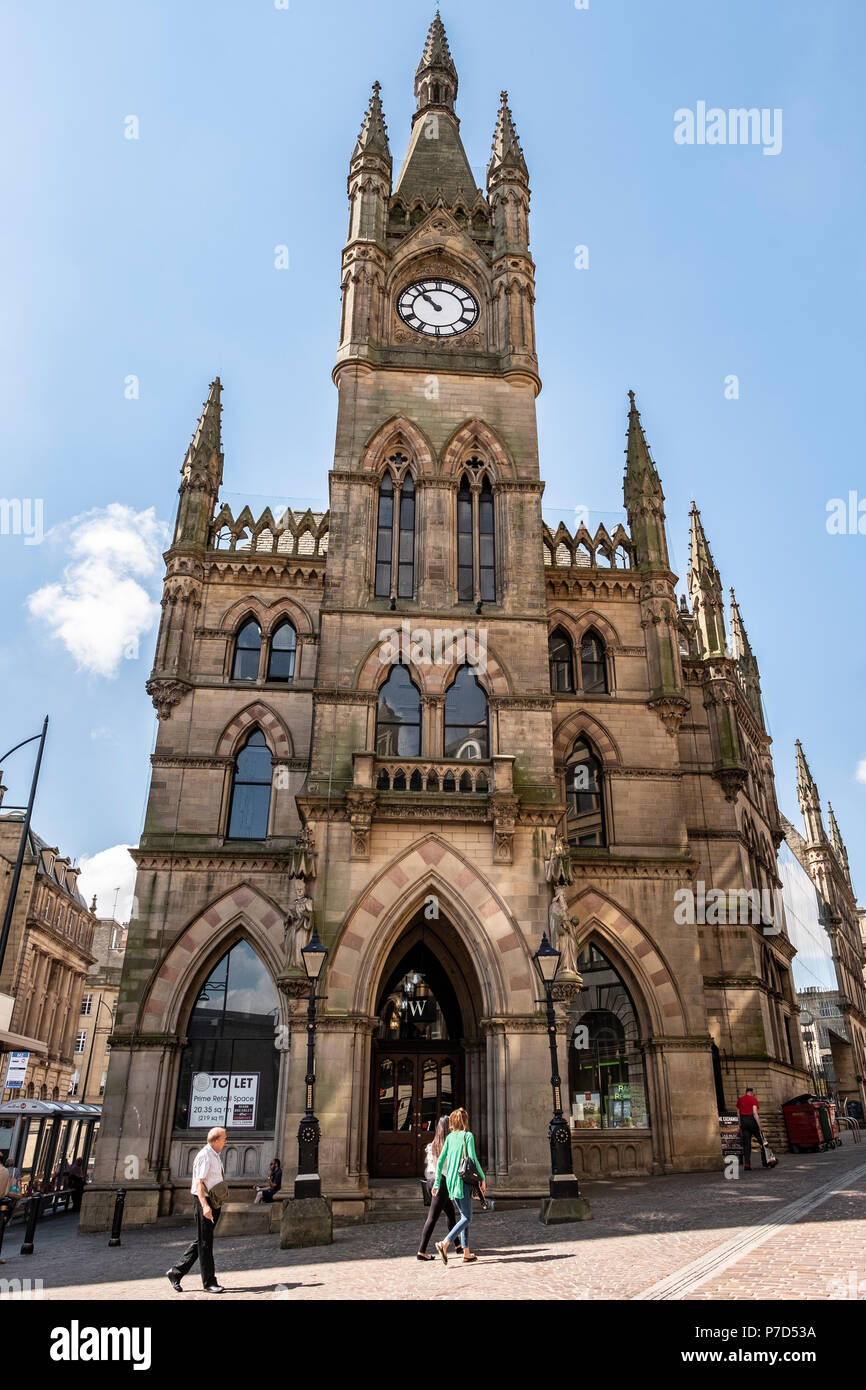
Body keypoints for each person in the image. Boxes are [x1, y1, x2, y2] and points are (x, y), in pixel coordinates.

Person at [166, 1126, 228, 1293]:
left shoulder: (215, 1155)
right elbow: (198, 1184)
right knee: (205, 1243)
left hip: (213, 1202)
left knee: (202, 1240)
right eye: (223, 1138)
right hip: (204, 1202)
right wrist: (205, 1206)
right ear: (215, 1140)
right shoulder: (205, 1156)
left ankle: (176, 1272)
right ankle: (209, 1282)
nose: (225, 1141)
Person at [432, 1107, 485, 1265]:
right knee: (467, 1217)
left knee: (464, 1216)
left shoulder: (449, 1138)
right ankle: (445, 1243)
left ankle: (466, 1253)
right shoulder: (467, 1136)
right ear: (465, 1121)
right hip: (464, 1181)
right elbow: (472, 1158)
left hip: (451, 1182)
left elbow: (440, 1161)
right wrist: (482, 1178)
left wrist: (436, 1183)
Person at [416, 1116, 461, 1260]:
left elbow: (429, 1166)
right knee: (432, 1218)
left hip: (430, 1182)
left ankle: (458, 1245)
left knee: (450, 1213)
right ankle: (421, 1251)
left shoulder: (431, 1145)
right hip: (440, 1183)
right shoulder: (449, 1147)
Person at [736, 1087, 768, 1170]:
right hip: (752, 1121)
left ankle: (747, 1165)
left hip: (743, 1122)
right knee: (762, 1142)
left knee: (747, 1145)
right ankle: (767, 1161)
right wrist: (760, 1126)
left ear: (746, 1092)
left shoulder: (740, 1100)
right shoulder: (753, 1099)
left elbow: (738, 1113)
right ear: (751, 1092)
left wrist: (740, 1124)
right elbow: (754, 1113)